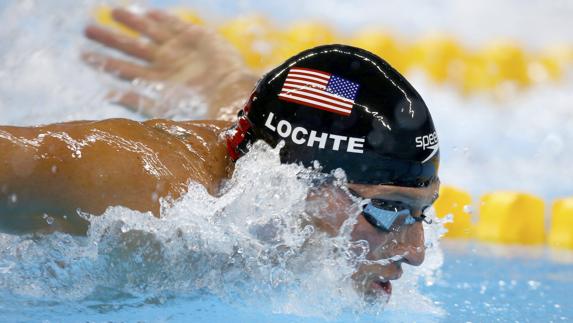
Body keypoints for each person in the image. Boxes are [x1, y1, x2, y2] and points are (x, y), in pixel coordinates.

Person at [0, 8, 439, 299]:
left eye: (422, 213)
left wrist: (221, 81)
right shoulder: (146, 188)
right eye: (386, 210)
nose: (416, 251)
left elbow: (264, 132)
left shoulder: (268, 172)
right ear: (295, 184)